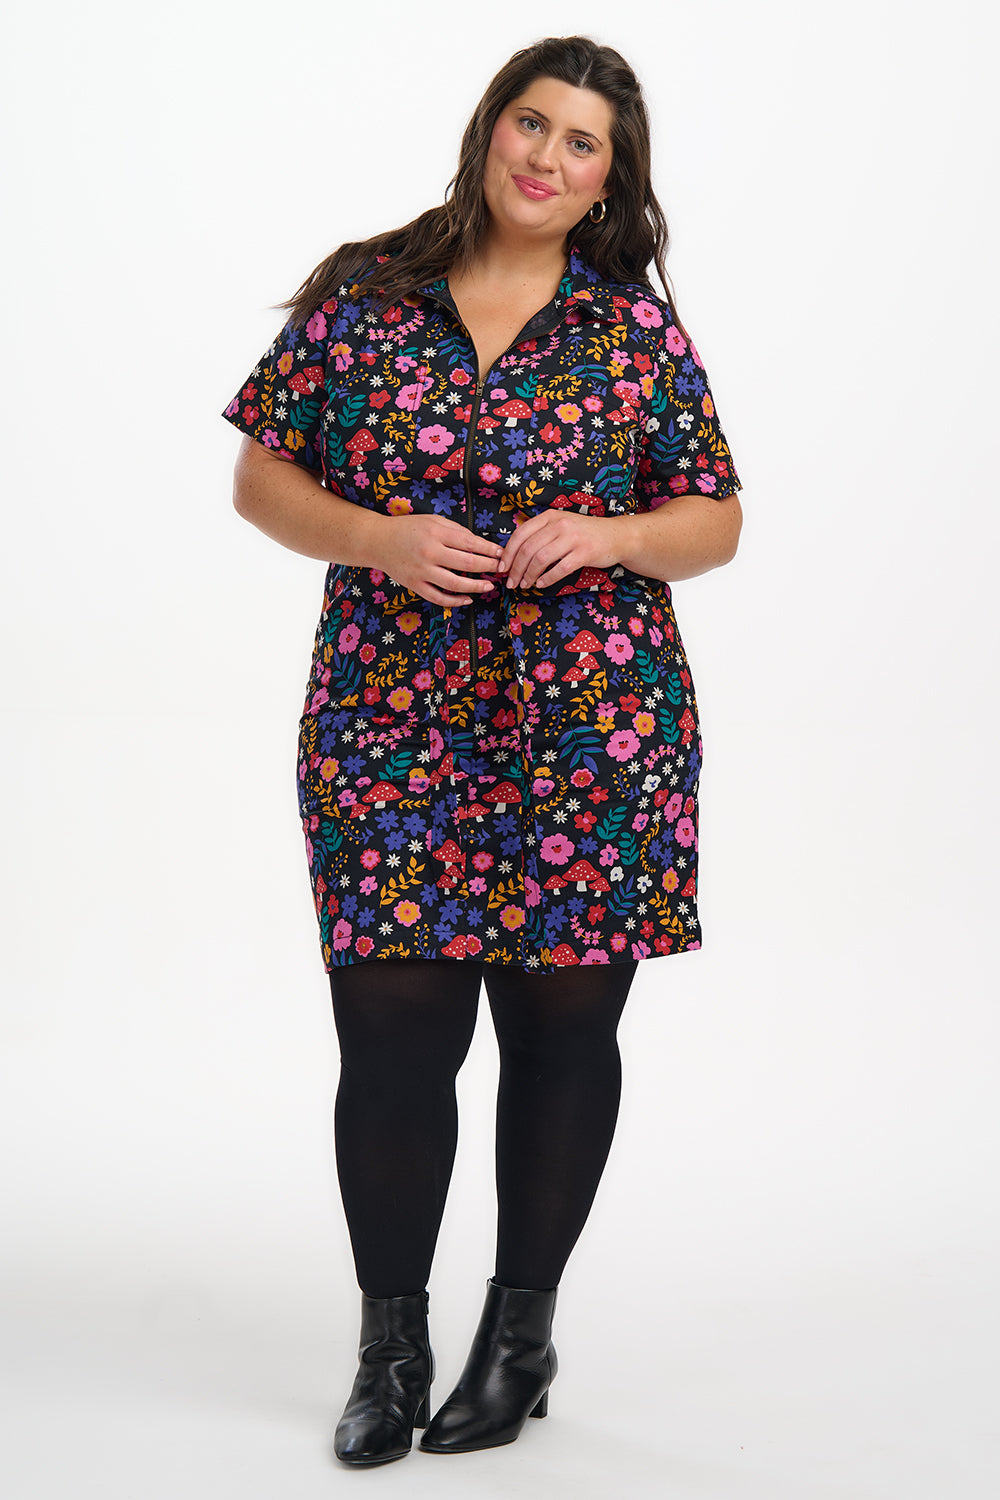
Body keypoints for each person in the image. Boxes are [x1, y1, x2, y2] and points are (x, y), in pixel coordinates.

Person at [223, 34, 742, 1466]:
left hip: (597, 728)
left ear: (608, 182)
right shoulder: (366, 299)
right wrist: (376, 537)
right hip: (391, 719)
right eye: (532, 123)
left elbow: (716, 519)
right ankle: (389, 1349)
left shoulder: (632, 336)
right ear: (488, 128)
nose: (547, 157)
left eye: (583, 143)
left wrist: (615, 534)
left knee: (563, 1031)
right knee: (393, 1032)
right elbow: (260, 474)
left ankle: (520, 1339)